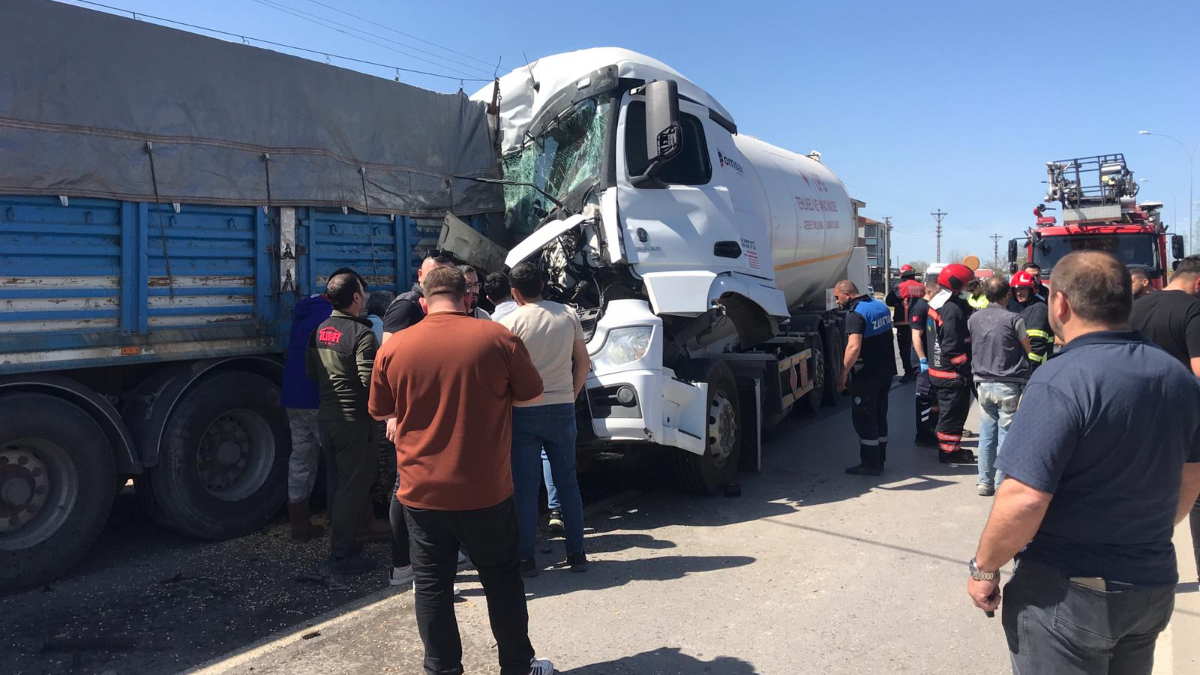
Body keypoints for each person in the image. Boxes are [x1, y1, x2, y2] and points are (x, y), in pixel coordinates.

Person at [967, 251, 1200, 675]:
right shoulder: (1178, 377)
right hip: (1151, 584)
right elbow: (1191, 477)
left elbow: (1023, 498)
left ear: (1060, 304)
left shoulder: (1061, 379)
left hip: (1070, 591)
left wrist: (983, 568)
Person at [368, 266, 555, 675]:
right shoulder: (498, 338)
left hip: (421, 492)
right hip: (486, 490)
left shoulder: (395, 348)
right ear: (467, 298)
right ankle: (517, 666)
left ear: (423, 302)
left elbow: (382, 411)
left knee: (433, 586)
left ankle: (442, 669)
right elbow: (531, 394)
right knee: (502, 580)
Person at [500, 261, 590, 575]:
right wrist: (572, 394)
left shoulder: (510, 322)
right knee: (568, 484)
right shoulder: (568, 314)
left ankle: (526, 558)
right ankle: (577, 553)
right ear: (542, 285)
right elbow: (583, 362)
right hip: (563, 407)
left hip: (524, 412)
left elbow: (504, 373)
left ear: (514, 292)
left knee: (525, 489)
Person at [1130, 254, 1200, 583]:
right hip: (1186, 415)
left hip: (1138, 413)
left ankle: (1138, 566)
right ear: (1198, 283)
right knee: (1194, 494)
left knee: (1143, 491)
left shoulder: (1135, 308)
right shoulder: (1193, 310)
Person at [306, 271, 381, 574]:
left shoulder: (320, 330)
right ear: (356, 298)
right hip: (354, 421)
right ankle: (341, 556)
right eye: (363, 291)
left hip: (327, 418)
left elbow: (313, 373)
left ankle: (345, 543)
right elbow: (370, 381)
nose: (365, 296)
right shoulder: (362, 334)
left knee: (337, 484)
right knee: (352, 487)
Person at [967, 276, 1031, 496]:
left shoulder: (973, 318)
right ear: (1008, 295)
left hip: (982, 382)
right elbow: (1028, 348)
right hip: (1008, 382)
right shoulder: (1015, 319)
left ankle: (984, 482)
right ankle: (1001, 483)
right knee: (1006, 434)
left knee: (986, 434)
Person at [281, 289, 333, 541]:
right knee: (340, 460)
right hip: (317, 398)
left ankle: (299, 523)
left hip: (293, 397)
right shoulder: (330, 318)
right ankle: (352, 524)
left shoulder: (302, 314)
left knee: (300, 458)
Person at [835, 280, 896, 476]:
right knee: (880, 415)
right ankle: (880, 457)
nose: (836, 301)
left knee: (864, 418)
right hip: (886, 370)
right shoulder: (880, 307)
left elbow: (853, 347)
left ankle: (870, 463)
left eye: (837, 297)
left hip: (866, 374)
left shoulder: (855, 314)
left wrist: (843, 372)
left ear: (847, 294)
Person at [926, 263, 976, 464]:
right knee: (953, 415)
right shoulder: (952, 310)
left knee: (948, 413)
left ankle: (953, 448)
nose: (967, 289)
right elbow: (952, 347)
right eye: (965, 285)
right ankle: (948, 453)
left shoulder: (938, 304)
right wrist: (966, 370)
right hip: (951, 375)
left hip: (939, 371)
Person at [382, 255, 454, 342]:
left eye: (448, 276)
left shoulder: (450, 304)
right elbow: (388, 350)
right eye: (434, 275)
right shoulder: (405, 307)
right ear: (420, 275)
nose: (441, 280)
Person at [909, 279, 941, 447]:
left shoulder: (931, 307)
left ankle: (930, 431)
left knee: (933, 398)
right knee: (924, 397)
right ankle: (922, 435)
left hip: (931, 359)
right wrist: (922, 359)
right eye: (938, 292)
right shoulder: (921, 308)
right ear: (929, 291)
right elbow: (916, 336)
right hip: (922, 360)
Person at [1007, 271, 1054, 370]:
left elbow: (1036, 344)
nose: (1019, 293)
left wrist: (1026, 367)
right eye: (1016, 289)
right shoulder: (1022, 308)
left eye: (1022, 289)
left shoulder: (1039, 309)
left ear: (1031, 290)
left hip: (1037, 368)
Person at [885, 265, 924, 383]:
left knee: (904, 350)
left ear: (902, 276)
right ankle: (919, 372)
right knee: (918, 348)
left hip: (903, 324)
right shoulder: (922, 287)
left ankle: (908, 373)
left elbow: (889, 300)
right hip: (919, 323)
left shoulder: (900, 287)